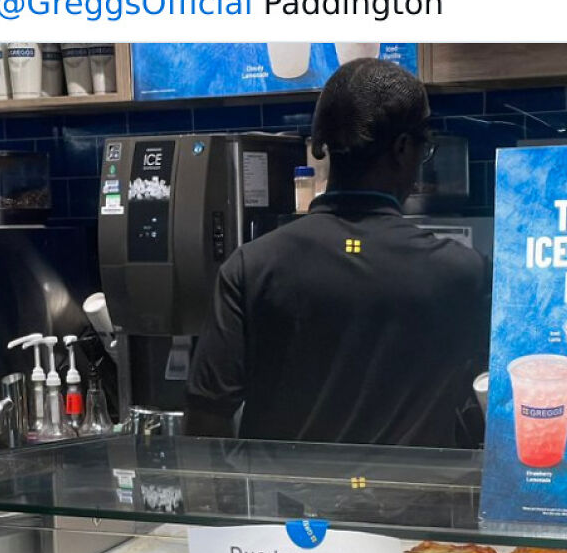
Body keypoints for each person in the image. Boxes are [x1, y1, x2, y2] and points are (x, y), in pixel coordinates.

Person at [186, 58, 486, 446]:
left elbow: (205, 417)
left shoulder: (250, 267)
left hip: (281, 504)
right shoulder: (464, 273)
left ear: (322, 145)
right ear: (401, 148)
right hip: (415, 504)